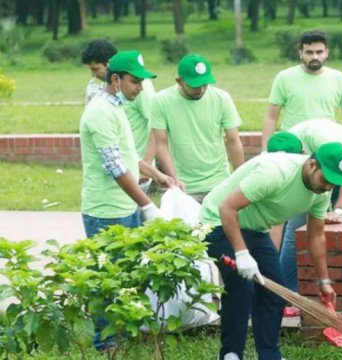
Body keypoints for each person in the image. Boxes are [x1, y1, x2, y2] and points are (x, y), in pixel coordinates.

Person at [200, 142, 342, 360]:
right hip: (216, 222)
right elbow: (227, 207)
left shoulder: (320, 191)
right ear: (311, 164)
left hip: (254, 228)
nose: (329, 187)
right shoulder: (275, 172)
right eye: (326, 179)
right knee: (242, 287)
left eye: (334, 183)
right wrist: (242, 253)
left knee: (275, 292)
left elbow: (316, 236)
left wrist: (324, 282)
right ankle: (230, 354)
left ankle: (269, 355)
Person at [79, 50, 174, 350]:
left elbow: (128, 156)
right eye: (135, 82)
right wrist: (147, 204)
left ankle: (124, 335)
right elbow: (115, 166)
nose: (140, 88)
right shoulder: (99, 112)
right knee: (108, 278)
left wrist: (155, 174)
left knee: (128, 274)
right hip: (106, 211)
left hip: (125, 206)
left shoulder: (117, 107)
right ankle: (105, 344)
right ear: (116, 79)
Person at [273, 119, 342, 295]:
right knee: (296, 233)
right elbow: (275, 219)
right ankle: (286, 293)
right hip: (315, 171)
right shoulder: (280, 148)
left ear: (303, 154)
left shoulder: (327, 144)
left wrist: (339, 211)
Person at [151, 54, 244, 203]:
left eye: (205, 84)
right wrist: (174, 180)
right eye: (195, 85)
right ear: (179, 81)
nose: (201, 90)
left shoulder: (222, 98)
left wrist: (240, 179)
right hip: (184, 185)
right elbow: (161, 144)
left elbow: (233, 141)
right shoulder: (161, 101)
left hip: (219, 182)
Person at [261, 30, 342, 150]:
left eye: (319, 52)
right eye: (309, 52)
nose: (315, 56)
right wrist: (265, 151)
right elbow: (271, 117)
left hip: (326, 146)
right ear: (301, 54)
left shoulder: (338, 78)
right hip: (293, 147)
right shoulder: (284, 78)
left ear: (326, 53)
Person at [81, 40, 157, 176]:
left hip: (137, 169)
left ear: (109, 65)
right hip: (119, 170)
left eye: (95, 69)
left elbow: (157, 127)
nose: (93, 75)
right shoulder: (104, 96)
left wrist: (147, 167)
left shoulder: (139, 90)